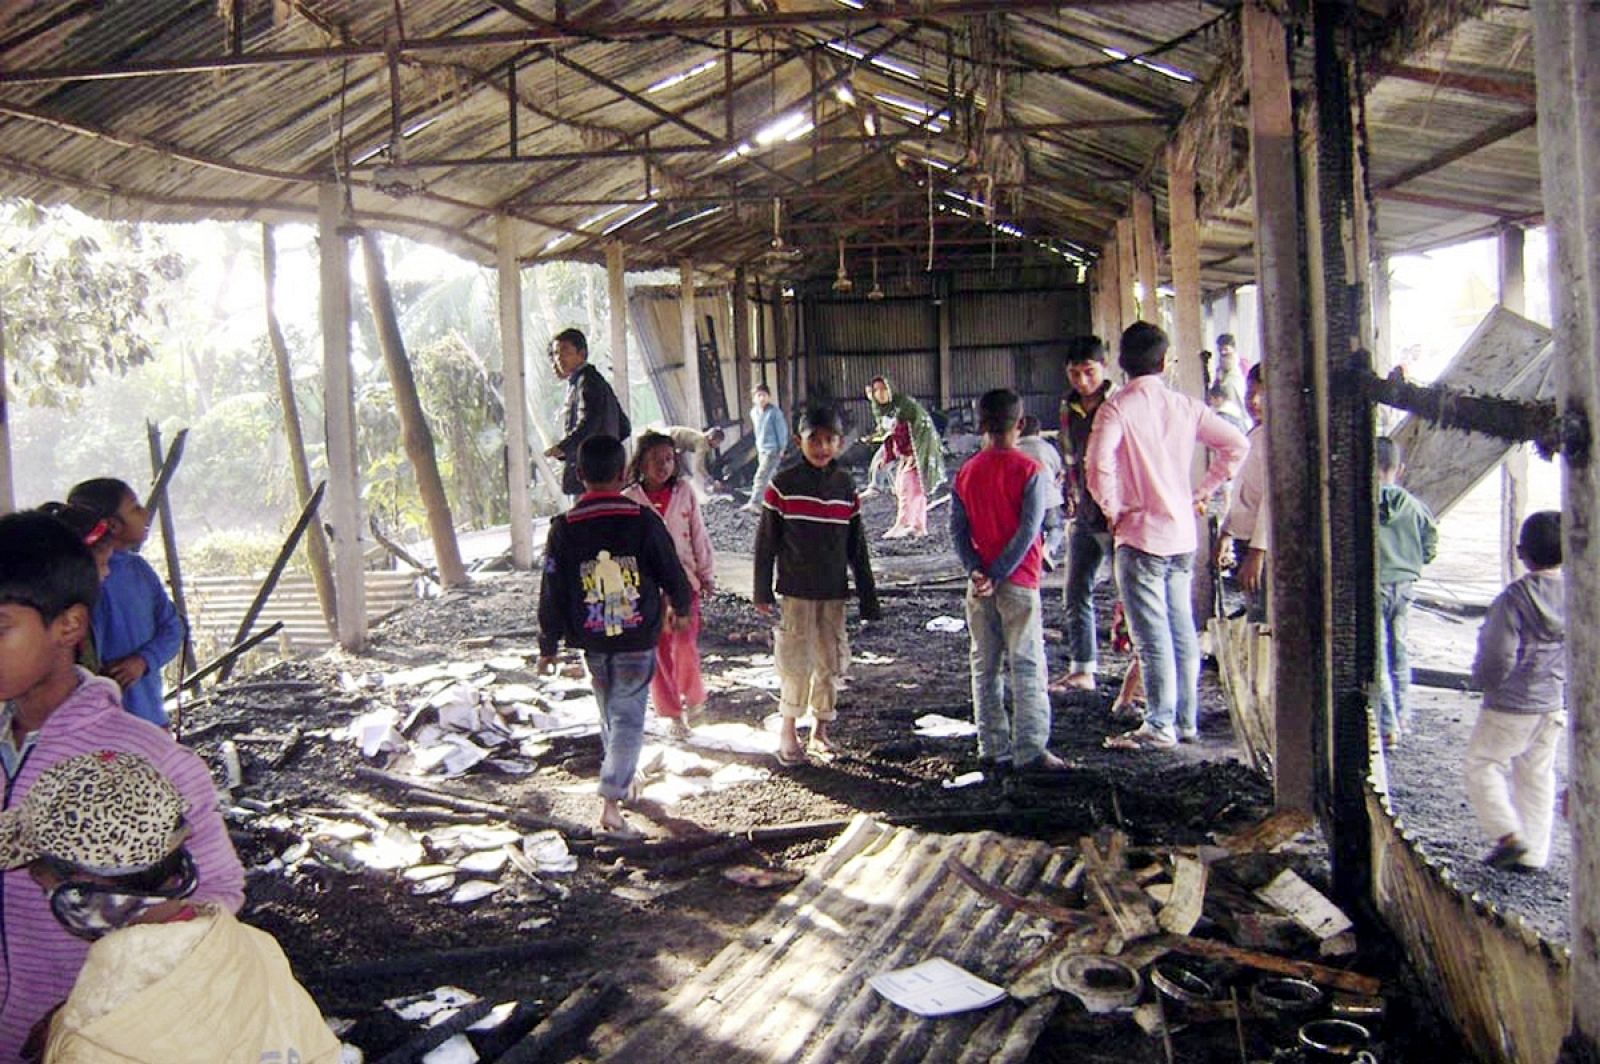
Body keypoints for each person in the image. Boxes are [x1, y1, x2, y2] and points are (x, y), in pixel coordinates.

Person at [0, 511, 244, 1060]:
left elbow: (215, 900)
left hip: (89, 1042)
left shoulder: (154, 760)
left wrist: (92, 1010)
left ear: (68, 626)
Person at [4, 751, 340, 1063]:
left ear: (79, 895)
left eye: (41, 881)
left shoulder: (95, 1039)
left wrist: (69, 1033)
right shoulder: (257, 948)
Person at [1088, 323, 1249, 750]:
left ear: (1121, 363)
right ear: (1164, 362)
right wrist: (1202, 490)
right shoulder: (1185, 406)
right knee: (1180, 630)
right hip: (1181, 535)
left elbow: (1097, 465)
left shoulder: (1116, 409)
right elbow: (1236, 445)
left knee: (1152, 635)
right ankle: (1184, 719)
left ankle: (1159, 724)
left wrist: (1112, 507)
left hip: (1140, 535)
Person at [538, 436, 692, 838]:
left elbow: (551, 589)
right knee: (627, 717)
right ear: (623, 473)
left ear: (579, 475)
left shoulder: (564, 528)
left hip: (593, 640)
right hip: (637, 636)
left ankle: (620, 779)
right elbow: (670, 569)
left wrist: (548, 645)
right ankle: (611, 799)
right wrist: (682, 604)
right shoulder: (642, 520)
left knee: (610, 709)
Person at [753, 405, 880, 765]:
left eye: (829, 440)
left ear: (840, 443)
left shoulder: (845, 487)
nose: (822, 447)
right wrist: (761, 589)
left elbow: (857, 545)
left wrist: (868, 596)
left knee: (830, 659)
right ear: (799, 441)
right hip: (796, 591)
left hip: (833, 592)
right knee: (795, 661)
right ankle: (788, 730)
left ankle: (820, 730)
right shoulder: (783, 485)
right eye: (814, 440)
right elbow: (766, 542)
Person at [951, 390, 1069, 774]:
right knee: (1026, 663)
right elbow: (1029, 530)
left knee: (984, 665)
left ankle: (992, 745)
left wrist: (977, 570)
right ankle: (1030, 748)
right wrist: (1000, 572)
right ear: (1020, 425)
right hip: (1018, 580)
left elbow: (957, 530)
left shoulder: (966, 472)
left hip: (979, 582)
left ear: (981, 426)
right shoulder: (1030, 471)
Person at [1465, 511, 1565, 873]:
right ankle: (1534, 855)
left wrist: (1484, 681)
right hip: (1552, 701)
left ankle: (1508, 837)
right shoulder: (1579, 595)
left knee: (1482, 765)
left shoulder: (1514, 598)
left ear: (1521, 552)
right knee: (1537, 774)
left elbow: (1497, 654)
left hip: (1511, 704)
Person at [66, 478, 183, 728]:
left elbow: (173, 628)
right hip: (97, 724)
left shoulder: (139, 570)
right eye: (135, 507)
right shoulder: (73, 580)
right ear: (112, 525)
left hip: (148, 714)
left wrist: (143, 661)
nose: (145, 512)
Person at [623, 432, 716, 740]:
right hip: (646, 590)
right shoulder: (630, 500)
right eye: (654, 460)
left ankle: (694, 697)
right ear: (641, 464)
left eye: (668, 459)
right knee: (658, 651)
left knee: (685, 642)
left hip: (685, 582)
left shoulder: (684, 492)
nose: (662, 466)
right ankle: (672, 713)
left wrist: (706, 574)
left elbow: (698, 534)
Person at [1051, 336, 1115, 694]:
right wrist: (1070, 495)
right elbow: (1069, 456)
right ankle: (1083, 668)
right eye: (1075, 374)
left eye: (1089, 372)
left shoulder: (1119, 403)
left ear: (1103, 368)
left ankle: (1141, 677)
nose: (1082, 381)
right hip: (1085, 513)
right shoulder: (1067, 407)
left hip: (1119, 516)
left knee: (1131, 599)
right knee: (1076, 590)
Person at [1376, 435, 1439, 749]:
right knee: (1399, 653)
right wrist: (1414, 561)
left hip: (1375, 587)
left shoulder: (1363, 505)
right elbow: (1430, 546)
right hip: (1405, 587)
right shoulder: (1416, 506)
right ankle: (1404, 717)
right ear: (1398, 469)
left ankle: (1387, 728)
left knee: (1377, 655)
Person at [544, 328, 630, 500]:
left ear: (582, 353)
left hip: (590, 474)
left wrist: (564, 448)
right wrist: (608, 450)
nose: (559, 358)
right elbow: (624, 427)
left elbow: (588, 423)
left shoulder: (586, 382)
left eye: (565, 352)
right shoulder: (594, 381)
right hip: (609, 473)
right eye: (555, 353)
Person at [1215, 364, 1270, 621]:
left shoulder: (1275, 439)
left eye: (1263, 393)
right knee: (1254, 609)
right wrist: (1227, 531)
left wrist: (1258, 552)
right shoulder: (1254, 433)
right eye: (1250, 392)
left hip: (1261, 546)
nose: (1254, 401)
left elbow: (1271, 501)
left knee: (1262, 617)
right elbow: (1241, 492)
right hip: (1244, 539)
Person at [867, 377, 945, 539]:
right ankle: (918, 526)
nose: (880, 394)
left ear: (891, 389)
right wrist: (888, 457)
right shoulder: (887, 410)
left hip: (920, 450)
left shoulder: (903, 407)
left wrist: (911, 455)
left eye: (883, 389)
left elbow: (903, 434)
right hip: (910, 453)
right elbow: (889, 436)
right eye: (876, 391)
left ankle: (903, 523)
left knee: (906, 485)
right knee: (915, 488)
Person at [1014, 415, 1065, 566]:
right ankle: (1048, 549)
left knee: (1032, 530)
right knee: (1056, 527)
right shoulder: (1046, 448)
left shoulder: (1015, 450)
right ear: (1038, 431)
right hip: (1049, 498)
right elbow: (1058, 468)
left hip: (1024, 500)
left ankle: (1032, 557)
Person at [656, 425, 725, 502]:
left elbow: (685, 442)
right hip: (664, 440)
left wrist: (679, 453)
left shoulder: (700, 437)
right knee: (671, 470)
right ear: (711, 438)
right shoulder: (703, 443)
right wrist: (711, 481)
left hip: (666, 436)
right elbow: (699, 467)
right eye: (718, 442)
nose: (717, 445)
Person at [746, 384, 787, 513]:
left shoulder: (774, 413)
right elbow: (758, 432)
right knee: (771, 477)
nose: (762, 398)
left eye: (764, 395)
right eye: (759, 395)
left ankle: (755, 503)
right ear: (753, 398)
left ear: (769, 397)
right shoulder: (753, 413)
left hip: (772, 449)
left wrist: (782, 448)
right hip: (761, 449)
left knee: (760, 476)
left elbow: (782, 431)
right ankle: (776, 502)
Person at [1207, 334, 1248, 431]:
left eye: (1226, 349)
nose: (1223, 352)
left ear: (1233, 349)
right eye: (1220, 350)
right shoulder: (1220, 370)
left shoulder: (1240, 367)